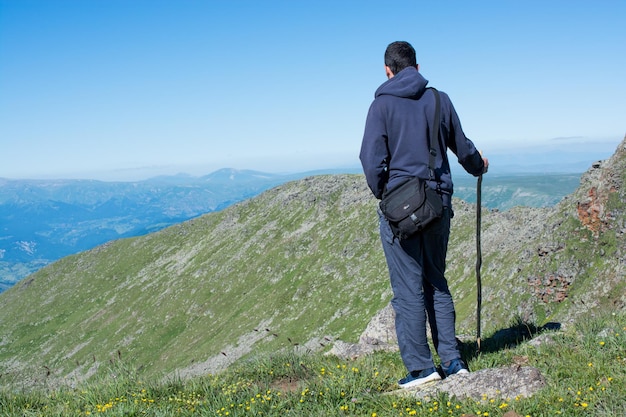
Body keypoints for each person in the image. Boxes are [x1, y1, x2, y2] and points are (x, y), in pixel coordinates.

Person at [359, 41, 488, 389]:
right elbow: (463, 149)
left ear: (388, 69)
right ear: (416, 66)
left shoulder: (381, 105)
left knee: (408, 289)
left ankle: (421, 369)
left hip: (400, 211)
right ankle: (453, 360)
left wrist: (386, 194)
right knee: (436, 280)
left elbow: (370, 161)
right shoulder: (438, 99)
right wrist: (479, 165)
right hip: (437, 204)